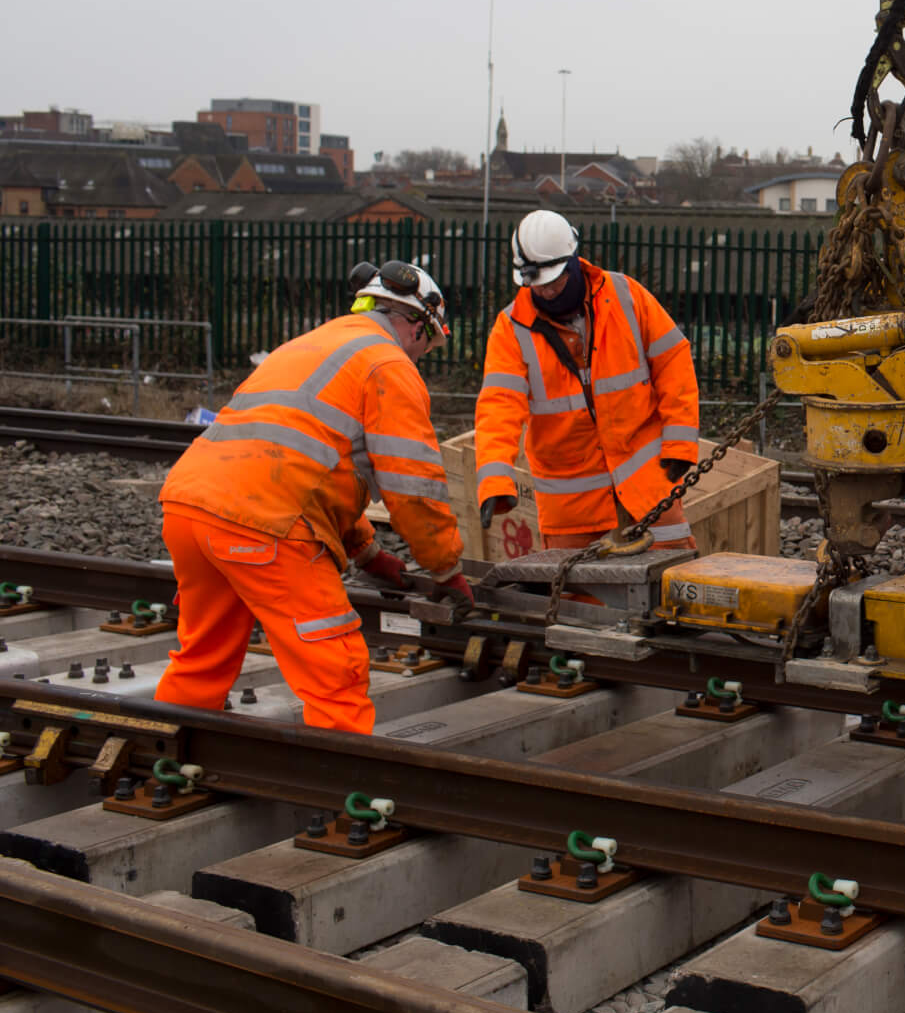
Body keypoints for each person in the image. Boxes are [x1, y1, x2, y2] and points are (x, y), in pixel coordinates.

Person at [156, 260, 470, 733]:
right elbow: (414, 489)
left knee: (203, 656)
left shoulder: (309, 346)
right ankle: (341, 792)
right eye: (429, 342)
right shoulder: (388, 363)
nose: (422, 354)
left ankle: (172, 752)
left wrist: (367, 553)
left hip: (189, 510)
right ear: (416, 322)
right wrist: (446, 569)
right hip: (264, 527)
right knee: (335, 671)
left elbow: (305, 466)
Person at [475, 210, 701, 551]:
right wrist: (494, 481)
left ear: (572, 262)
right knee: (573, 598)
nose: (547, 293)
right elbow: (498, 407)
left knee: (669, 578)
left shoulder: (627, 296)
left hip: (645, 480)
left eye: (554, 282)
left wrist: (680, 443)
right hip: (571, 497)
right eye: (538, 285)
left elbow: (674, 364)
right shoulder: (511, 329)